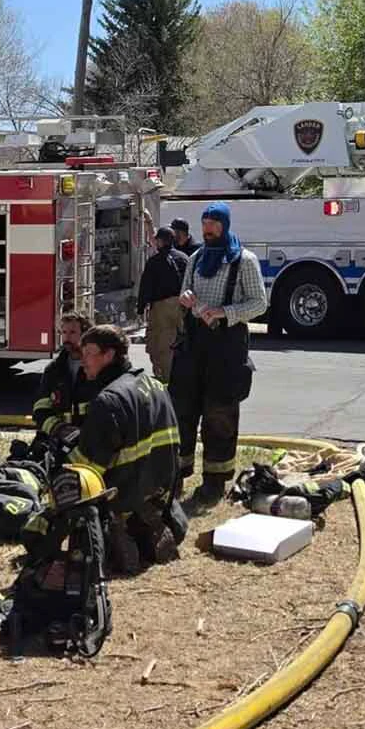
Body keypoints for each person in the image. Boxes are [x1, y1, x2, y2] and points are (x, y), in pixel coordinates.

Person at [168, 202, 268, 510]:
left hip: (226, 347)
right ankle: (176, 475)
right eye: (204, 224)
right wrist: (187, 300)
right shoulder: (196, 258)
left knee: (219, 414)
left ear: (224, 225)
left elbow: (259, 304)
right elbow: (185, 290)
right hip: (193, 344)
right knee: (181, 410)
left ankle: (214, 480)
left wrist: (225, 312)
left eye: (213, 224)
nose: (207, 230)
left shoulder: (244, 260)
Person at [67, 325, 186, 570]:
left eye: (89, 353)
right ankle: (148, 522)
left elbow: (87, 467)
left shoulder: (108, 400)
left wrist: (60, 472)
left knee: (71, 484)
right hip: (158, 490)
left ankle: (118, 529)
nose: (83, 360)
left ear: (108, 355)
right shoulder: (155, 385)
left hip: (123, 493)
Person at [30, 312, 91, 461]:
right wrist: (58, 428)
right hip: (59, 440)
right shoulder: (54, 369)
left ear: (86, 335)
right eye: (64, 332)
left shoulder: (95, 366)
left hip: (89, 441)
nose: (66, 337)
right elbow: (40, 409)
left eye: (72, 332)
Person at [136, 226, 188, 382]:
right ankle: (180, 376)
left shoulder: (154, 261)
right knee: (181, 341)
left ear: (160, 241)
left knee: (161, 344)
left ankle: (165, 378)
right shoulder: (184, 258)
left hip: (161, 307)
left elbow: (145, 286)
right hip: (183, 305)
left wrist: (140, 308)